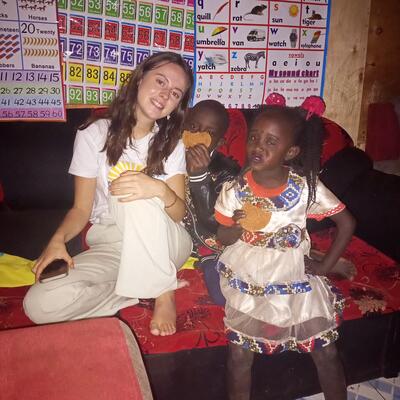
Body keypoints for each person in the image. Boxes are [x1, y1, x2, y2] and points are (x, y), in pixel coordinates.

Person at [23, 51, 194, 337]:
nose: (166, 95)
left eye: (176, 93)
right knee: (39, 305)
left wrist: (159, 190)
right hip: (113, 244)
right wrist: (57, 240)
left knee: (127, 191)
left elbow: (178, 215)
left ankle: (164, 291)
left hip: (165, 243)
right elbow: (81, 209)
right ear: (139, 79)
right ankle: (137, 288)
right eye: (160, 81)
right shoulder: (93, 134)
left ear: (177, 105)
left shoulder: (172, 144)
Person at [214, 97, 356, 400]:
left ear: (290, 152)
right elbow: (222, 236)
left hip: (296, 280)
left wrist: (324, 267)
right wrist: (236, 227)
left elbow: (346, 223)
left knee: (326, 353)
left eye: (271, 141)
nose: (258, 146)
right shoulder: (235, 190)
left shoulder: (305, 188)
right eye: (254, 138)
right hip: (249, 279)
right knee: (238, 356)